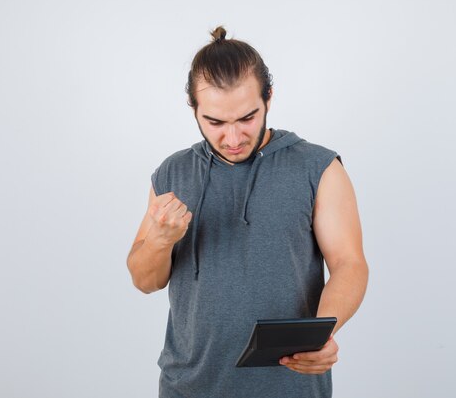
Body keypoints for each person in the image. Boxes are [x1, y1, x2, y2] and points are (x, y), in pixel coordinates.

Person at [127, 26, 368, 398]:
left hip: (290, 386)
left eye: (247, 118)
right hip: (188, 387)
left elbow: (350, 263)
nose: (234, 138)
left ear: (269, 97)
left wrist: (323, 332)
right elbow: (145, 280)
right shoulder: (172, 173)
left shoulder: (318, 167)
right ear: (194, 109)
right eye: (216, 123)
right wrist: (158, 242)